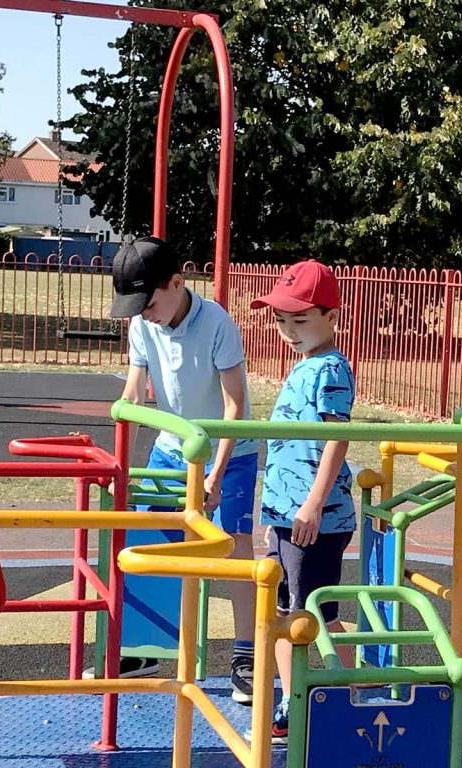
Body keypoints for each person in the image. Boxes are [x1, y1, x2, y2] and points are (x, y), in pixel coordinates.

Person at [108, 235, 258, 704]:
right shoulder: (142, 325)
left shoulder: (216, 323)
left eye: (148, 302)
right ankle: (144, 648)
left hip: (228, 452)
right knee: (149, 538)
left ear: (177, 283)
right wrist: (120, 468)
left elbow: (235, 406)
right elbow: (134, 396)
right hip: (173, 448)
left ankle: (246, 655)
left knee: (235, 552)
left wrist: (216, 474)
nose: (143, 313)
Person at [249, 259, 356, 743]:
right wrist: (273, 512)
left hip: (314, 517)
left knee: (303, 614)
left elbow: (337, 438)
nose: (289, 331)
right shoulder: (305, 365)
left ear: (331, 316)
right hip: (286, 513)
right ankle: (317, 693)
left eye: (300, 320)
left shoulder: (331, 368)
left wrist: (312, 503)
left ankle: (315, 702)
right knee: (291, 608)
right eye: (281, 321)